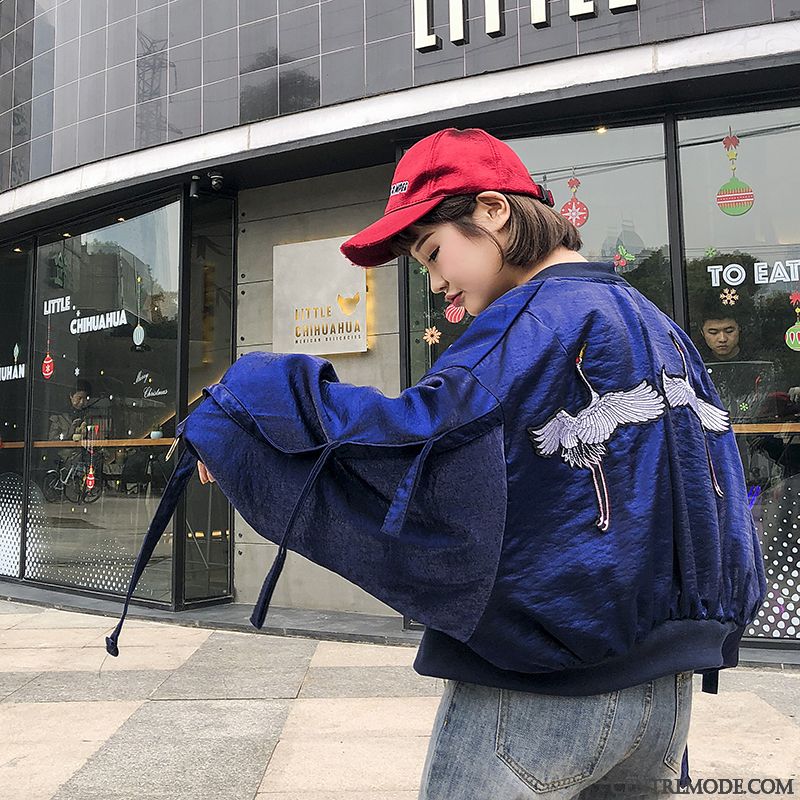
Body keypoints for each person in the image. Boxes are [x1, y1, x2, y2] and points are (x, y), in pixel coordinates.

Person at [130, 128, 765, 799]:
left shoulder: (526, 326)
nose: (435, 283)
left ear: (493, 211)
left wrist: (241, 410)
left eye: (433, 252)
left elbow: (411, 444)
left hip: (542, 695)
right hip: (667, 700)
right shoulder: (653, 321)